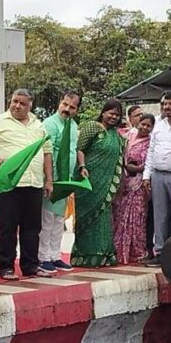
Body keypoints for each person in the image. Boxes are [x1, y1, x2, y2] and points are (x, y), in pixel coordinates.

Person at [0, 89, 54, 281]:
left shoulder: (38, 125)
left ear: (30, 106)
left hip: (33, 182)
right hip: (8, 183)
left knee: (32, 227)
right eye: (14, 101)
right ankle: (6, 267)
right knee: (8, 227)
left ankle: (30, 266)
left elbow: (46, 152)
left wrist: (49, 179)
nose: (17, 106)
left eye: (22, 103)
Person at [71, 99, 125, 268]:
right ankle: (84, 256)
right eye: (111, 113)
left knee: (103, 219)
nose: (114, 117)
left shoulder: (117, 135)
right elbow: (80, 149)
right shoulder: (93, 127)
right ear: (103, 112)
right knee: (86, 218)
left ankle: (104, 255)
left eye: (117, 115)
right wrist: (82, 166)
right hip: (88, 180)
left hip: (106, 185)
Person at [143, 91, 171, 266]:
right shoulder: (158, 125)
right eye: (164, 104)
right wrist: (147, 176)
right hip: (158, 175)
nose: (166, 107)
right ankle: (161, 252)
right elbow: (151, 151)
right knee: (161, 216)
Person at [38, 91, 81, 274]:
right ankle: (43, 257)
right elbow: (47, 152)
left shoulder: (73, 126)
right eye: (65, 104)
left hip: (66, 180)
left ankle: (55, 256)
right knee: (47, 219)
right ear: (59, 103)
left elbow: (74, 150)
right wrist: (50, 179)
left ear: (77, 110)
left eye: (72, 107)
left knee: (59, 219)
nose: (67, 109)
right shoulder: (49, 124)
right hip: (51, 179)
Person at [113, 114, 154, 265]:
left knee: (136, 216)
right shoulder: (128, 135)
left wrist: (137, 168)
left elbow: (150, 161)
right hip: (123, 181)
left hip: (139, 183)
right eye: (143, 123)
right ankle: (119, 250)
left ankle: (135, 251)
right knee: (120, 215)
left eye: (148, 126)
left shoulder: (150, 142)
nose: (144, 127)